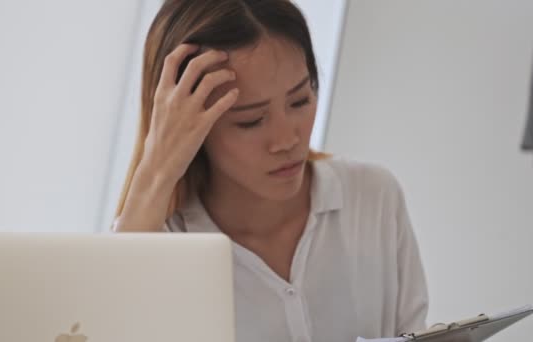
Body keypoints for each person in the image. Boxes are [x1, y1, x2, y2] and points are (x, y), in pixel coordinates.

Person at [112, 0, 429, 341]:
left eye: (299, 101)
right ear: (186, 126)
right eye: (251, 121)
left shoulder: (372, 196)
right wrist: (157, 170)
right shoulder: (163, 246)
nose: (286, 140)